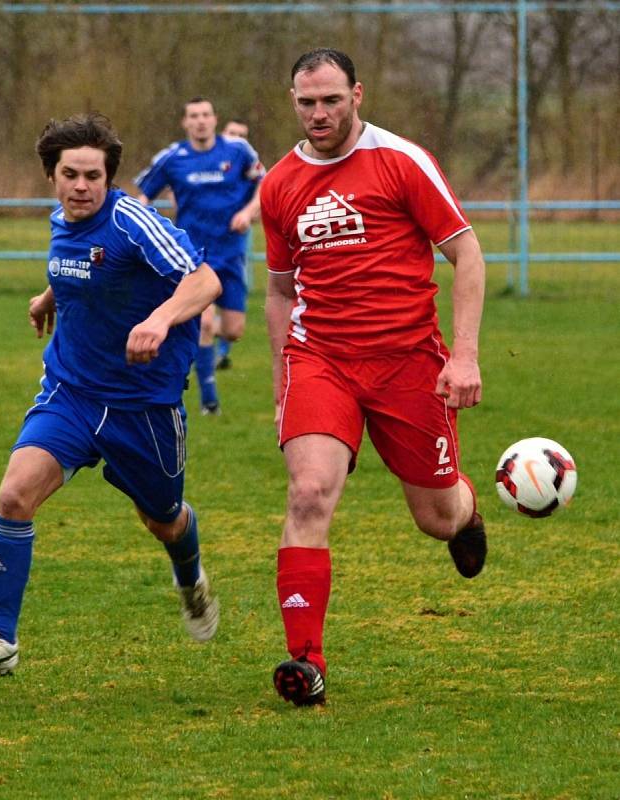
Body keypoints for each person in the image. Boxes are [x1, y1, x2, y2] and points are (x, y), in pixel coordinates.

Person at [0, 112, 222, 679]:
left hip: (142, 405)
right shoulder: (62, 220)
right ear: (52, 176)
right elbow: (86, 266)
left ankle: (189, 573)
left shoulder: (134, 222)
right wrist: (50, 294)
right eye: (70, 174)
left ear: (109, 178)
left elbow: (204, 281)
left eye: (92, 176)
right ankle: (2, 640)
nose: (81, 186)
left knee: (165, 519)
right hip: (71, 392)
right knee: (14, 497)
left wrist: (160, 319)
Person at [261, 49, 487, 707]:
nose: (319, 113)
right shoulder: (279, 183)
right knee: (307, 494)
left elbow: (465, 254)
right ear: (292, 102)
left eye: (331, 99)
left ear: (356, 94)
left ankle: (465, 511)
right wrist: (281, 389)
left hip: (408, 363)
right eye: (306, 102)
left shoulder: (400, 162)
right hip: (320, 359)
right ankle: (305, 663)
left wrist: (464, 355)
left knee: (435, 516)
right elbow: (279, 293)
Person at [134, 98, 264, 414]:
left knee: (233, 330)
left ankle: (190, 338)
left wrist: (248, 212)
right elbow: (142, 197)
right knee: (205, 323)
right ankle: (209, 399)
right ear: (185, 123)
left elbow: (266, 184)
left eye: (206, 114)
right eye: (194, 116)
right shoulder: (173, 158)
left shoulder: (237, 151)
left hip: (231, 253)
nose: (201, 121)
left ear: (215, 119)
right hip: (193, 257)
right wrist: (144, 229)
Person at [216, 117, 253, 371]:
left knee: (232, 323)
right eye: (232, 132)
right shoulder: (209, 162)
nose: (236, 138)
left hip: (234, 244)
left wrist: (248, 213)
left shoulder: (247, 170)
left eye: (242, 135)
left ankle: (222, 350)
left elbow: (262, 197)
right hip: (203, 245)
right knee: (203, 309)